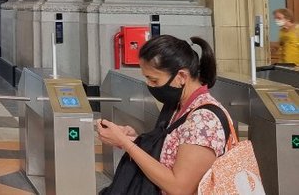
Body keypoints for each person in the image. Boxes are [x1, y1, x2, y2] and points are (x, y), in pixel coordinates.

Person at [97, 35, 232, 195]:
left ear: (181, 77)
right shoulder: (178, 106)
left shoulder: (204, 121)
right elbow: (171, 153)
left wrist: (127, 144)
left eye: (154, 80)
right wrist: (130, 139)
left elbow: (179, 188)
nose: (150, 85)